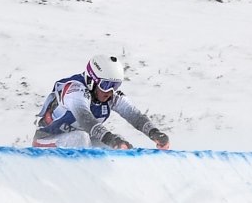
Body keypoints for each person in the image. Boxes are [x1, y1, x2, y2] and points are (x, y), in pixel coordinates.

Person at [31, 50, 171, 150]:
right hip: (46, 141)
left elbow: (133, 114)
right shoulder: (74, 90)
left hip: (76, 142)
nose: (111, 91)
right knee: (81, 139)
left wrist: (154, 133)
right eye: (106, 85)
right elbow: (86, 120)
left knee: (121, 147)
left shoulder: (109, 95)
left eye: (115, 86)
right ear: (92, 81)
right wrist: (111, 139)